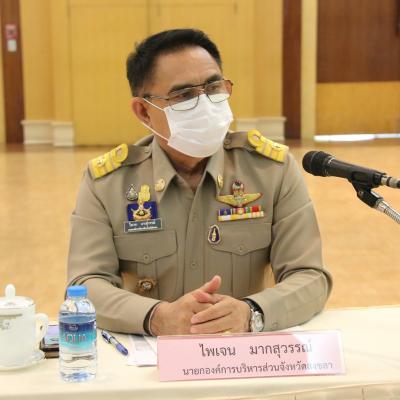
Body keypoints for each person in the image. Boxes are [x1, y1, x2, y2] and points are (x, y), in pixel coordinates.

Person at [67, 28, 332, 336]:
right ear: (144, 112)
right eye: (183, 96)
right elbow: (85, 284)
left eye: (213, 87)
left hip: (241, 351)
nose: (205, 104)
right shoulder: (107, 184)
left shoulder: (272, 170)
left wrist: (251, 312)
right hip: (151, 355)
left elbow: (311, 277)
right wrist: (157, 317)